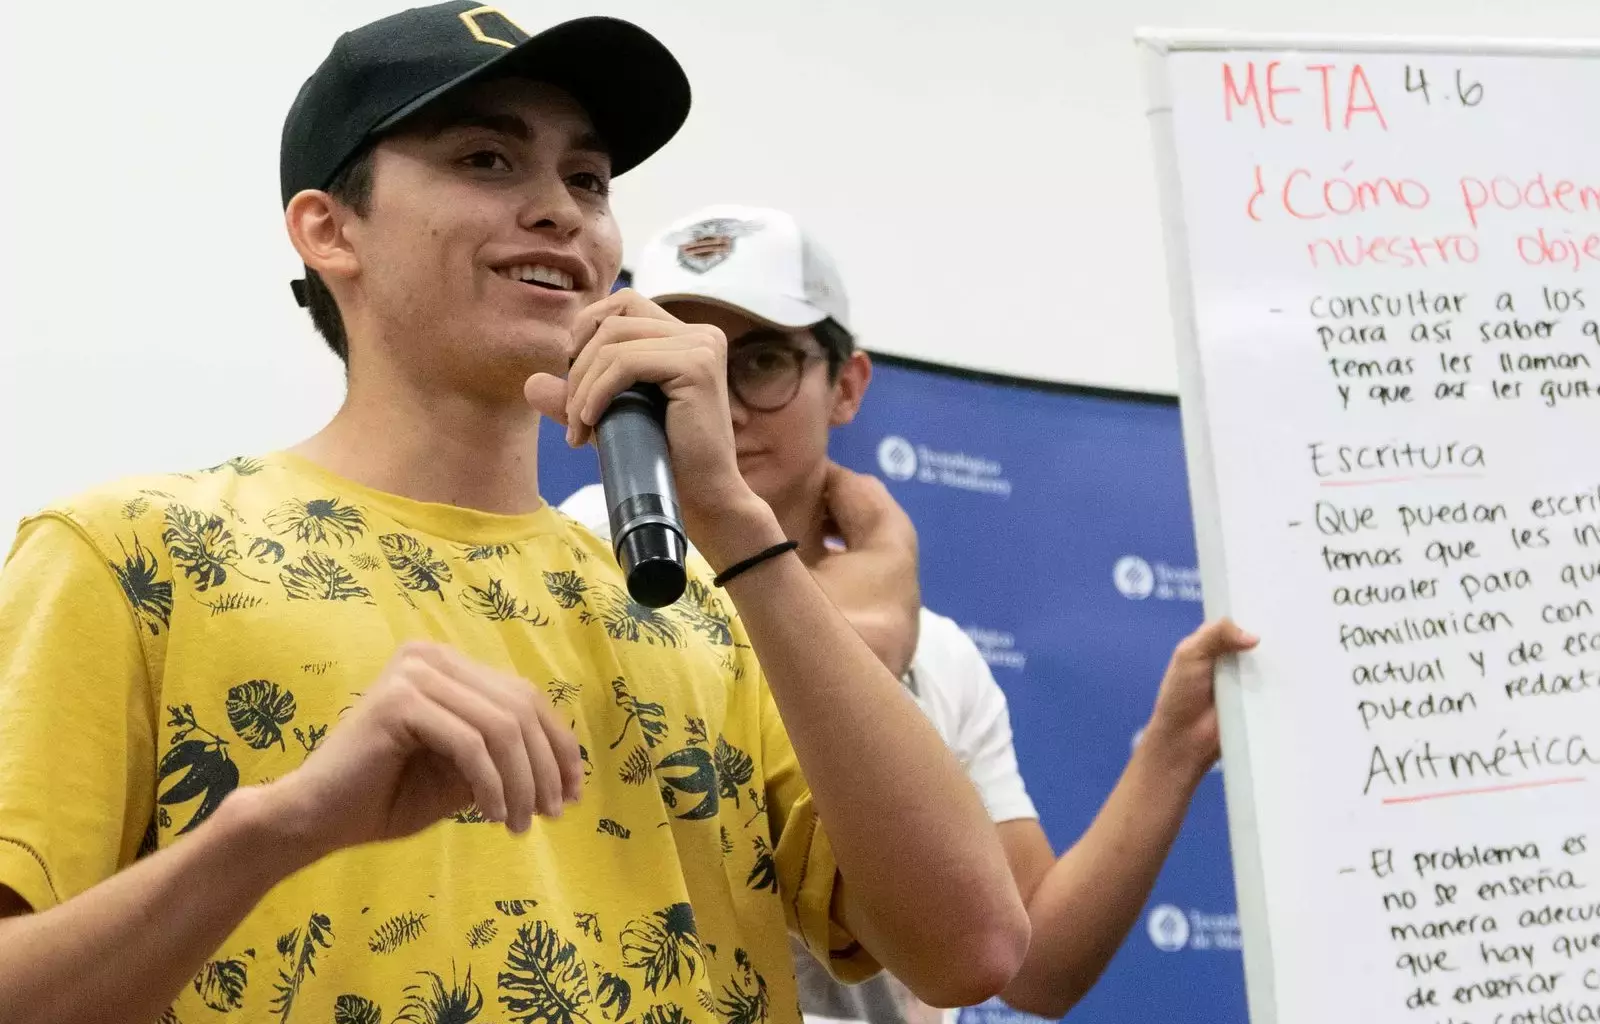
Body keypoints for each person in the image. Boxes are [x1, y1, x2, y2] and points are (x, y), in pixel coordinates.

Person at [0, 7, 1031, 1024]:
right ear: (329, 228)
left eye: (586, 179)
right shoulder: (131, 556)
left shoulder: (706, 604)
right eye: (487, 159)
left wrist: (729, 516)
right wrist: (282, 827)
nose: (561, 211)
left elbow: (974, 944)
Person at [560, 204, 1260, 1023]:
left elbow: (1032, 964)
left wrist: (1173, 749)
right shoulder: (582, 553)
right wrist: (866, 630)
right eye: (679, 359)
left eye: (762, 362)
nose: (721, 400)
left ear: (847, 385)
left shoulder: (943, 653)